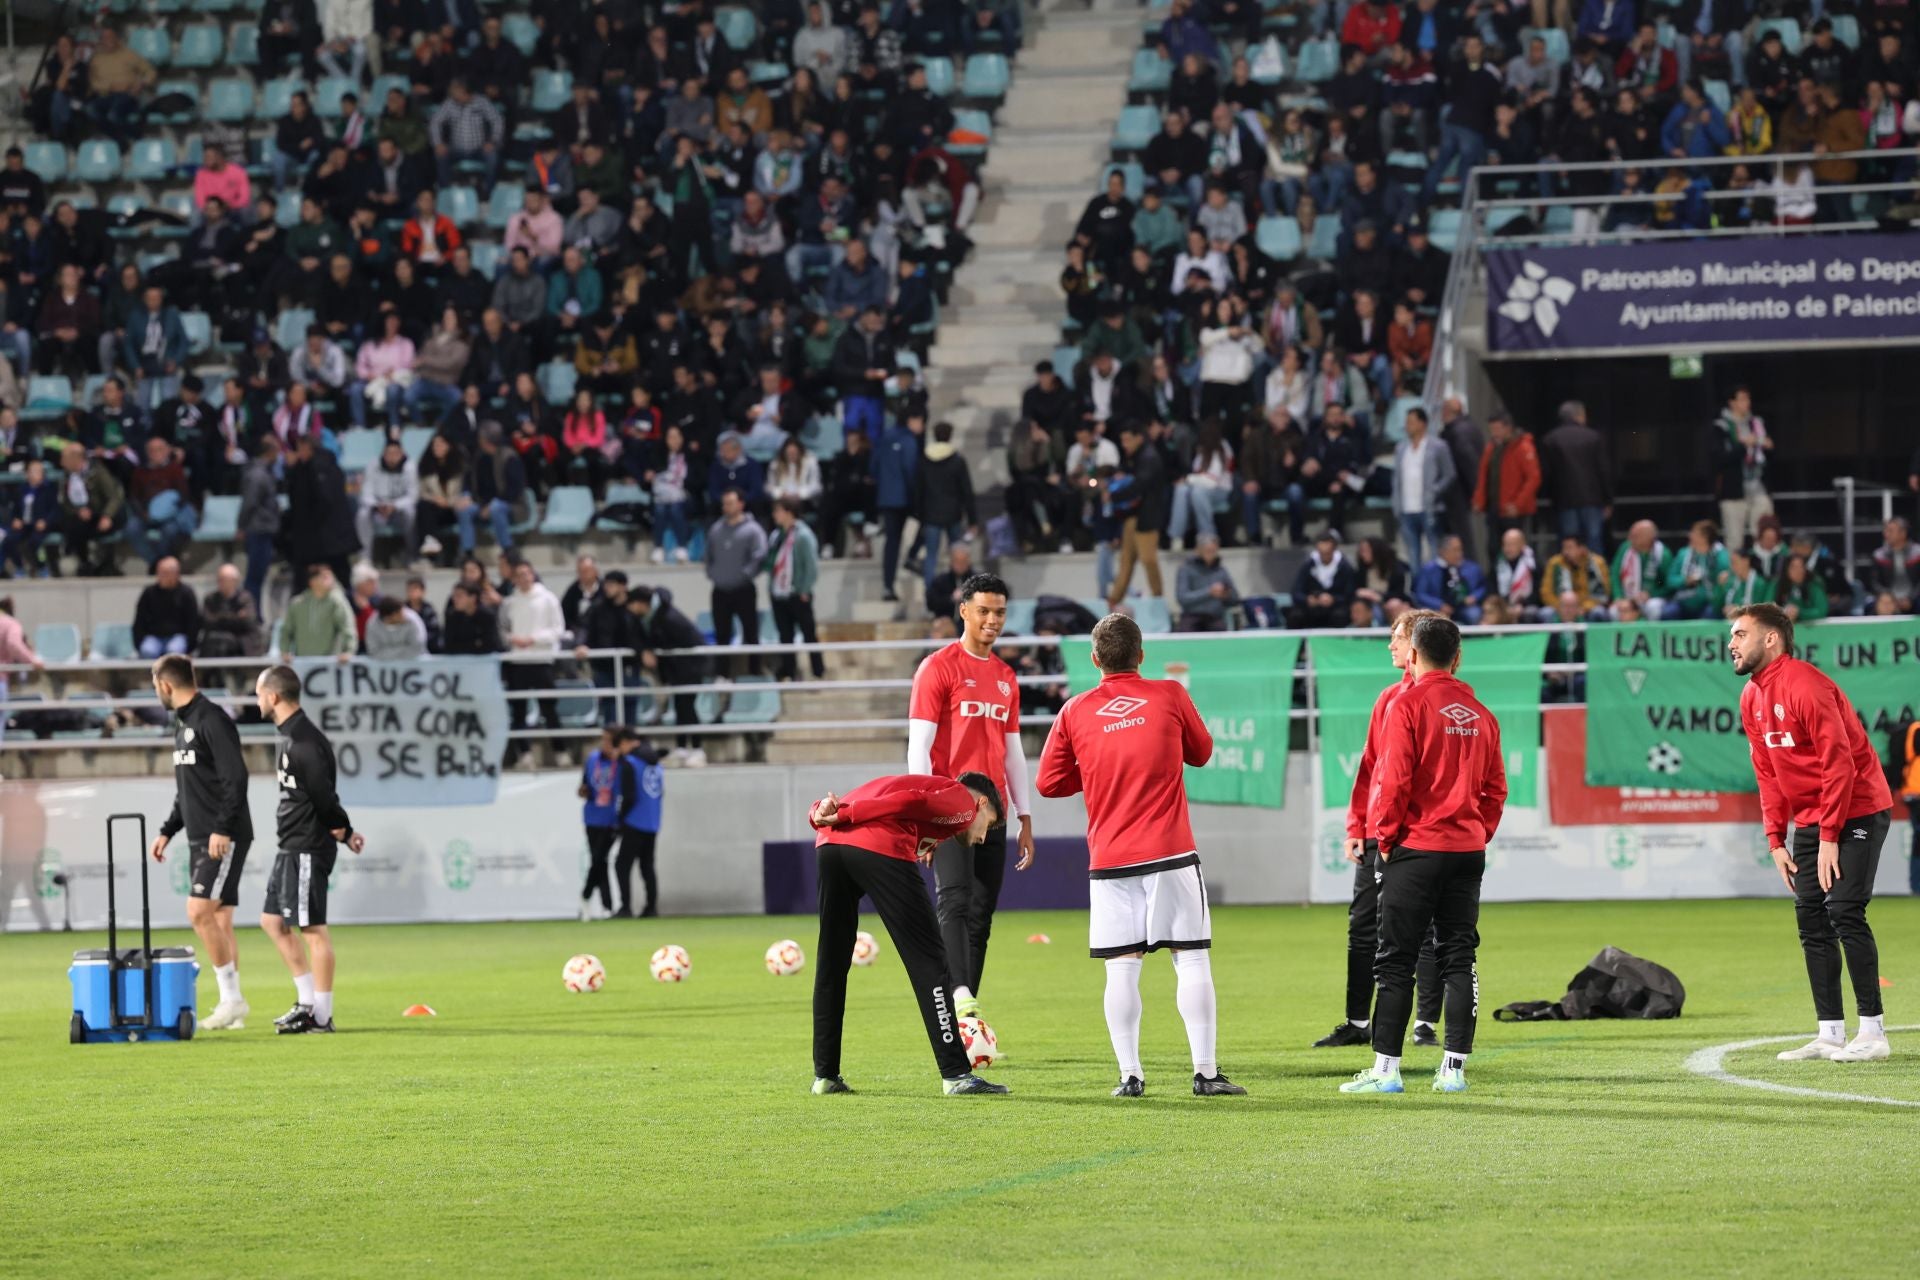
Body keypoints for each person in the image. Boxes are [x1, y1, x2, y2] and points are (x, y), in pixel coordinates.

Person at [1036, 612, 1245, 1097]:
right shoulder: (1169, 694)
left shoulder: (1074, 711)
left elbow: (1047, 782)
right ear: (1142, 656)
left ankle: (1130, 1076)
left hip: (1110, 859)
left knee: (1121, 967)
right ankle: (1206, 1073)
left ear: (1095, 660)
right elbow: (1203, 751)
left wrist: (1092, 767)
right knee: (1190, 959)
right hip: (1170, 851)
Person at [1342, 616, 1506, 1096]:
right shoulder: (1481, 713)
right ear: (1457, 658)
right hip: (1466, 851)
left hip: (1416, 848)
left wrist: (1386, 840)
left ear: (1412, 655)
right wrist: (1477, 832)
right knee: (1459, 955)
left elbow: (1393, 780)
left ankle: (1386, 1071)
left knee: (1395, 959)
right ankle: (1452, 1070)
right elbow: (1496, 789)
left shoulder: (1407, 705)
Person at [1731, 604, 1895, 1064]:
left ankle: (1873, 1032)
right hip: (1809, 819)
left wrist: (1828, 835)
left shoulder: (1805, 684)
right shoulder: (1751, 697)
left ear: (1770, 639)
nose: (1731, 643)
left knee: (1844, 909)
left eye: (1741, 634)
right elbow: (1766, 773)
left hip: (1857, 809)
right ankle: (1829, 1033)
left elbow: (1838, 762)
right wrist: (1775, 840)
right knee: (1810, 918)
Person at [805, 770, 1011, 1097]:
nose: (984, 836)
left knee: (831, 961)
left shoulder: (931, 808)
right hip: (873, 842)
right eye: (990, 823)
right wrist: (849, 813)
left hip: (829, 845)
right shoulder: (963, 801)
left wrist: (820, 814)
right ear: (981, 802)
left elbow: (838, 805)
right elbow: (908, 801)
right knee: (931, 963)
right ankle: (957, 1074)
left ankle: (825, 1076)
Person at [907, 572, 1035, 1021]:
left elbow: (1013, 751)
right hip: (948, 810)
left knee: (981, 914)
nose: (992, 620)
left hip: (993, 813)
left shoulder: (1005, 676)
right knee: (955, 902)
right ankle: (958, 999)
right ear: (963, 611)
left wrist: (1024, 816)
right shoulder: (938, 667)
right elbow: (918, 746)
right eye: (983, 610)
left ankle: (965, 1016)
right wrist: (922, 816)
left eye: (999, 611)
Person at [1318, 608, 1444, 1051]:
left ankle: (1425, 1022)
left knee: (1424, 926)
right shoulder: (1388, 697)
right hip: (1376, 831)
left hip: (1415, 833)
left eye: (1395, 637)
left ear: (1415, 645)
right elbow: (1371, 766)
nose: (1389, 645)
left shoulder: (1431, 700)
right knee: (1363, 926)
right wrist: (1357, 823)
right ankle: (1357, 1020)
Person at [254, 664, 365, 1035]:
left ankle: (322, 1015)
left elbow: (323, 797)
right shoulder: (291, 736)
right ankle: (306, 1003)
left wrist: (345, 830)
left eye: (258, 694)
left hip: (306, 847)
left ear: (273, 696)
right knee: (271, 922)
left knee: (313, 930)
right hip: (290, 845)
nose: (256, 700)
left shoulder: (304, 742)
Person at [148, 655, 253, 1031]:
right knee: (220, 919)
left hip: (221, 836)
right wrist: (167, 830)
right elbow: (188, 791)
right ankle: (232, 1008)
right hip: (200, 835)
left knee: (198, 911)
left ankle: (232, 1000)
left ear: (165, 684)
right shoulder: (185, 723)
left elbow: (236, 778)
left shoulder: (211, 719)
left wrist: (223, 829)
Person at [503, 558, 565, 769]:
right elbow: (503, 630)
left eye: (526, 573)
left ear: (533, 574)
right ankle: (525, 754)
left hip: (541, 660)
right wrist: (513, 639)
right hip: (518, 661)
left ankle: (560, 751)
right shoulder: (510, 602)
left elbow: (558, 629)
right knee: (519, 710)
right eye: (518, 575)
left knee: (549, 709)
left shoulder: (548, 599)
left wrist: (534, 639)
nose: (523, 578)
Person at [706, 487, 768, 674]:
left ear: (741, 504)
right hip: (720, 590)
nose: (727, 507)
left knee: (751, 633)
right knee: (721, 635)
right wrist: (713, 574)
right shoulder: (716, 529)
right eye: (724, 503)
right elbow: (709, 555)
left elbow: (760, 555)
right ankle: (722, 674)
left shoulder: (753, 530)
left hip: (743, 590)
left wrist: (745, 574)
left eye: (731, 503)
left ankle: (755, 672)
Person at [764, 498, 824, 680]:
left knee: (809, 633)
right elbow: (772, 561)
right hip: (779, 593)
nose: (775, 515)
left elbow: (811, 567)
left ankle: (818, 670)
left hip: (798, 593)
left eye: (778, 511)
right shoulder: (776, 536)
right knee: (785, 635)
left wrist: (804, 589)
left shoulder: (803, 535)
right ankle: (789, 670)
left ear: (789, 512)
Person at [1712, 386, 1772, 550]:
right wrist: (1743, 445)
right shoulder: (1721, 426)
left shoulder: (1756, 423)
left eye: (1748, 399)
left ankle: (1761, 571)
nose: (1747, 403)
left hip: (1758, 487)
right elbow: (1719, 458)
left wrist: (1766, 445)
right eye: (1742, 399)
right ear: (1732, 402)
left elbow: (1766, 451)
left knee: (1764, 535)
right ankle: (1735, 574)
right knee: (1734, 541)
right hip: (1733, 491)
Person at [614, 729, 665, 918]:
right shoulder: (656, 764)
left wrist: (620, 819)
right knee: (647, 866)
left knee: (622, 865)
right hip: (652, 821)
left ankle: (625, 907)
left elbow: (628, 796)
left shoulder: (630, 763)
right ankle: (651, 907)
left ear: (626, 742)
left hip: (634, 821)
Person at [578, 727, 621, 920]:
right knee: (599, 861)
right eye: (603, 740)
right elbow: (584, 784)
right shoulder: (593, 759)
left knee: (599, 859)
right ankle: (606, 905)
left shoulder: (621, 763)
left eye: (609, 740)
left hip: (611, 819)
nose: (604, 744)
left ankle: (586, 896)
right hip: (592, 816)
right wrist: (583, 790)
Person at [132, 556, 201, 659]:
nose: (160, 576)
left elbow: (193, 623)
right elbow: (139, 621)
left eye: (165, 573)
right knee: (147, 651)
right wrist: (139, 643)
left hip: (178, 637)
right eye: (159, 572)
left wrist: (190, 647)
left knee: (173, 652)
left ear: (175, 574)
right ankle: (153, 675)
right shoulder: (149, 593)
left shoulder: (186, 593)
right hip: (154, 637)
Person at [1290, 531, 1357, 629]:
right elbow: (1296, 591)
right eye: (1321, 553)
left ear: (1334, 549)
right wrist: (1308, 599)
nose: (1324, 555)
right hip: (1312, 607)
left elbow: (1350, 594)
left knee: (1340, 616)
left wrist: (1333, 599)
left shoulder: (1345, 567)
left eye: (1327, 553)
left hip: (1336, 607)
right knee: (1296, 616)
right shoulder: (1308, 566)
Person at [1174, 535, 1236, 632]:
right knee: (1185, 633)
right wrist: (1209, 592)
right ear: (1198, 550)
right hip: (1191, 617)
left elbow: (1235, 598)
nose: (1211, 554)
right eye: (1208, 550)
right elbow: (1182, 598)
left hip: (1214, 617)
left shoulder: (1221, 571)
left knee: (1220, 631)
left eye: (1213, 551)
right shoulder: (1186, 569)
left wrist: (1226, 595)